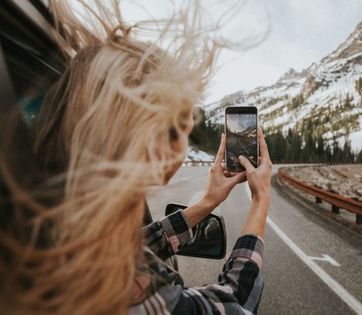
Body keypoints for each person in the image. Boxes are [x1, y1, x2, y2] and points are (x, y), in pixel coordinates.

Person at [0, 1, 272, 314]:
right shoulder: (133, 295)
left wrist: (206, 203)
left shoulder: (52, 240)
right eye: (184, 127)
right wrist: (260, 200)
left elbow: (135, 247)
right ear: (161, 151)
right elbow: (234, 300)